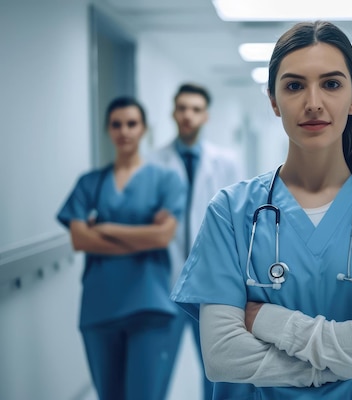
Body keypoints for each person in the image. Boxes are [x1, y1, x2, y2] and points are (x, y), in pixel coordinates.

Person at [170, 20, 352, 399]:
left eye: (332, 84)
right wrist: (350, 351)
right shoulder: (230, 213)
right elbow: (223, 356)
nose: (313, 102)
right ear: (273, 100)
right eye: (294, 85)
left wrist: (267, 320)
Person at [56, 97, 185, 400]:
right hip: (99, 308)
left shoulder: (166, 180)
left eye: (132, 124)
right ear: (107, 130)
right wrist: (143, 234)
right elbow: (79, 240)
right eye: (116, 124)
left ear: (144, 129)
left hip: (149, 307)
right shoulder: (90, 183)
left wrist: (106, 228)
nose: (124, 131)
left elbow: (162, 238)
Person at [147, 83, 243, 399]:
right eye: (182, 108)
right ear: (174, 113)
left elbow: (237, 224)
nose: (188, 115)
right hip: (164, 286)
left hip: (210, 289)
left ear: (206, 116)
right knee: (156, 374)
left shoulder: (227, 162)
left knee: (215, 373)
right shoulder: (152, 163)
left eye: (196, 109)